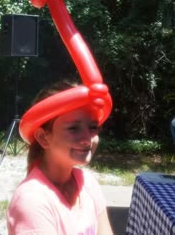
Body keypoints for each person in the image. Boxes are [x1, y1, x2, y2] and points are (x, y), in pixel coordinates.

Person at [7, 81, 113, 235]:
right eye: (73, 128)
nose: (87, 138)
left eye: (93, 127)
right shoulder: (32, 201)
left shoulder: (88, 183)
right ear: (43, 137)